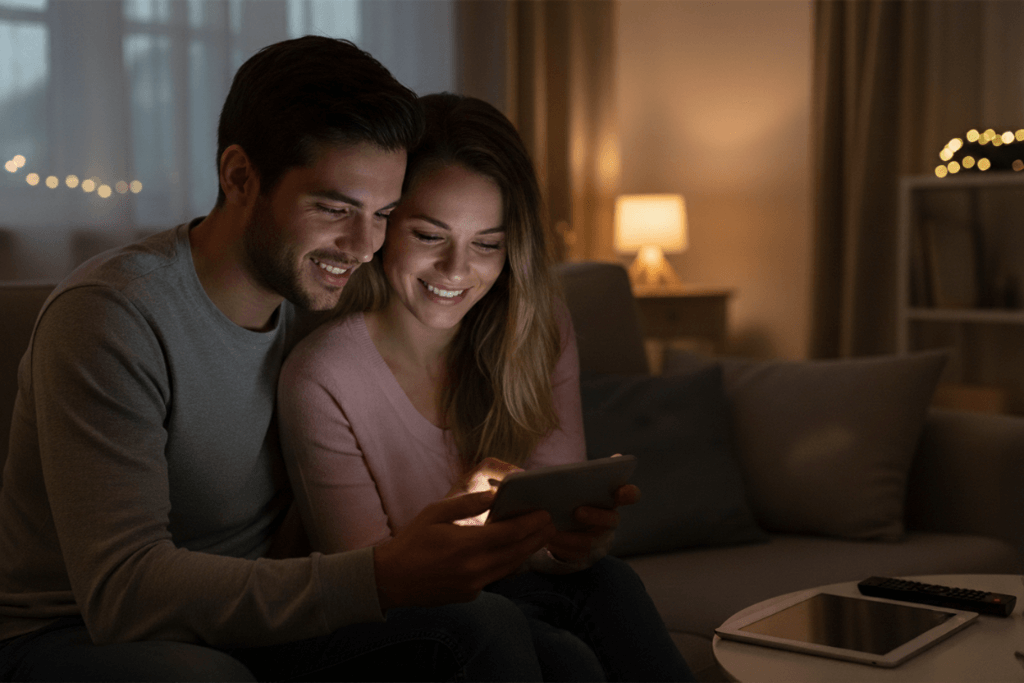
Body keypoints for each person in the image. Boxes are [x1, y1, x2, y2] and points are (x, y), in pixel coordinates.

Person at [0, 37, 566, 682]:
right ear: (240, 177)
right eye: (334, 208)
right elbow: (123, 592)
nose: (363, 246)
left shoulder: (324, 296)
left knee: (522, 638)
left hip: (263, 616)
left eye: (383, 214)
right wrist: (378, 577)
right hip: (73, 632)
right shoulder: (112, 316)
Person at [277, 93, 694, 682]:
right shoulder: (323, 375)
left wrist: (569, 543)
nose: (456, 270)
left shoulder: (538, 329)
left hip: (500, 587)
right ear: (385, 225)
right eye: (429, 236)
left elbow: (547, 535)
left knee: (608, 581)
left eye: (486, 244)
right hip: (387, 617)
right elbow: (373, 583)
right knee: (561, 657)